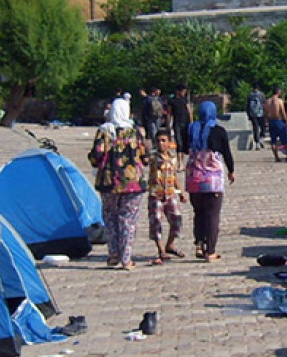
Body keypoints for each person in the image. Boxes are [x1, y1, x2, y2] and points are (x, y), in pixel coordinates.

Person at [88, 108, 148, 270]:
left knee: (110, 218)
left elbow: (96, 156)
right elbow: (146, 156)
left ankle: (113, 253)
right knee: (128, 220)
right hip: (133, 182)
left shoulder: (104, 131)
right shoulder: (135, 132)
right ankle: (126, 258)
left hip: (109, 182)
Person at [185, 101, 235, 262]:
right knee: (212, 215)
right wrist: (231, 171)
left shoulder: (191, 129)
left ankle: (199, 244)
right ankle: (211, 250)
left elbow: (184, 148)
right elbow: (226, 152)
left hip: (193, 179)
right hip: (212, 180)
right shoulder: (218, 131)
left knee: (198, 213)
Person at [147, 130, 185, 264]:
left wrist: (181, 192)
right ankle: (161, 250)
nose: (160, 144)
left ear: (169, 143)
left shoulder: (172, 158)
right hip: (156, 194)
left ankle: (170, 244)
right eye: (158, 141)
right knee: (156, 221)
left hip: (170, 193)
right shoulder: (153, 158)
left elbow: (174, 176)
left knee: (177, 219)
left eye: (163, 140)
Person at [265, 87, 287, 162]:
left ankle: (276, 157)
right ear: (278, 92)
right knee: (284, 139)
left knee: (273, 141)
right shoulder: (279, 101)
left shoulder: (267, 101)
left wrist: (266, 121)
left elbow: (265, 113)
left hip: (271, 121)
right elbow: (282, 112)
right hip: (278, 121)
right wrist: (286, 121)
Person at [168, 83, 193, 162]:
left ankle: (183, 160)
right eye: (183, 91)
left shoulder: (185, 100)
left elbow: (189, 111)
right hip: (177, 123)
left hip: (186, 123)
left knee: (186, 142)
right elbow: (169, 113)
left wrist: (192, 122)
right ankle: (180, 162)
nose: (184, 93)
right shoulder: (172, 101)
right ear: (178, 91)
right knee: (179, 142)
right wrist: (169, 124)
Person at [246, 86, 267, 150]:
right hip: (261, 113)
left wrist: (249, 115)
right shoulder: (262, 94)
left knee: (255, 128)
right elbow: (264, 104)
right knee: (263, 127)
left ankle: (257, 143)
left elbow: (248, 106)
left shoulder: (250, 95)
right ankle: (261, 138)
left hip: (253, 114)